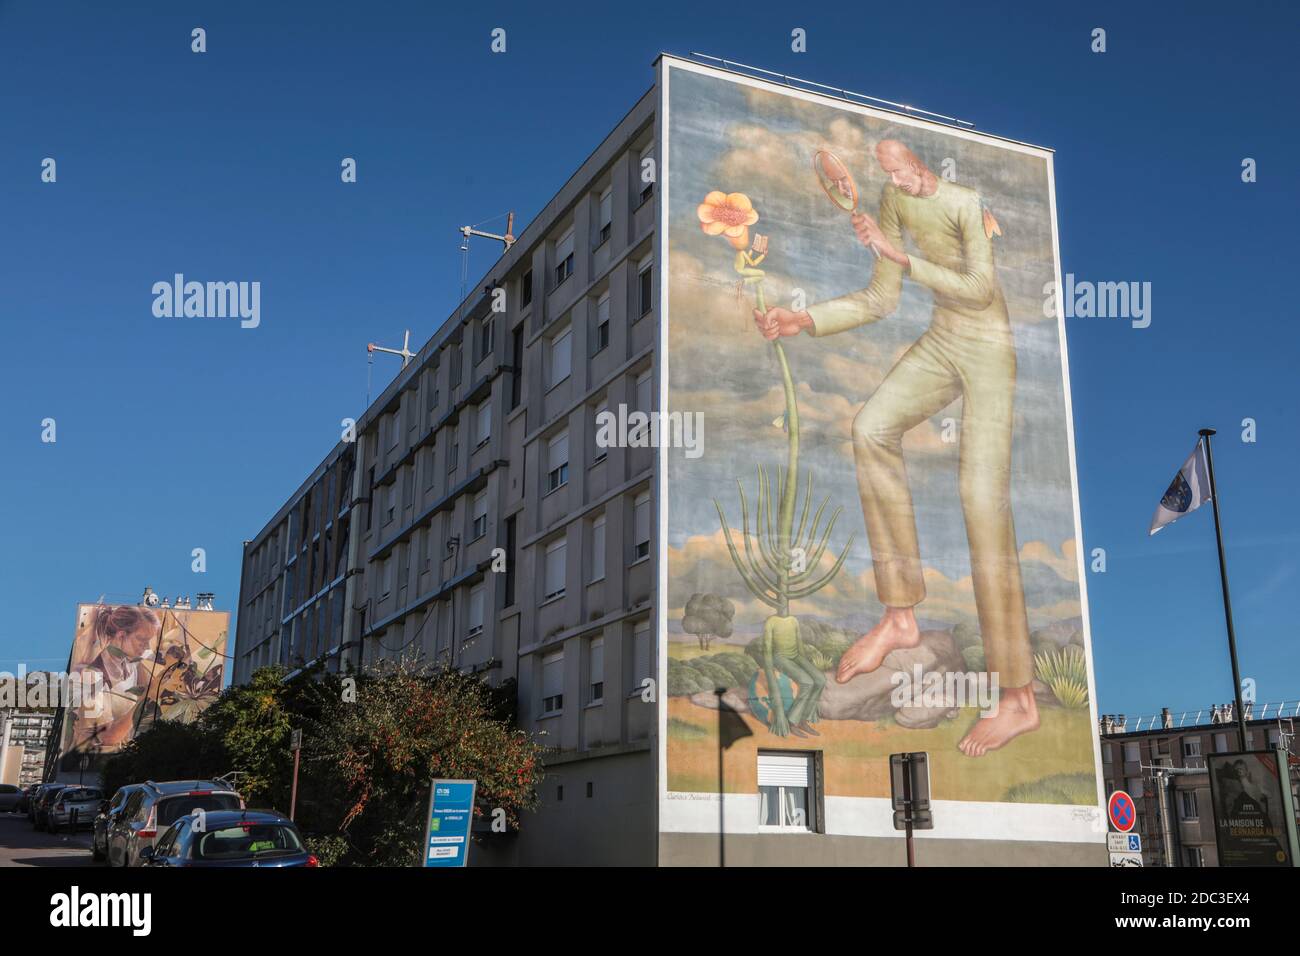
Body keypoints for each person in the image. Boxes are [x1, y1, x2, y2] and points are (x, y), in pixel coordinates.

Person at [754, 139, 1037, 756]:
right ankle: (900, 613)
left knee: (980, 497)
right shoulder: (889, 201)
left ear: (918, 164)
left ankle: (1018, 701)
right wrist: (805, 320)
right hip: (943, 341)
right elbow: (882, 298)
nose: (891, 180)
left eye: (897, 169)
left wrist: (903, 257)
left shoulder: (965, 203)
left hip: (988, 349)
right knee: (870, 426)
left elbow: (981, 287)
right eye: (882, 172)